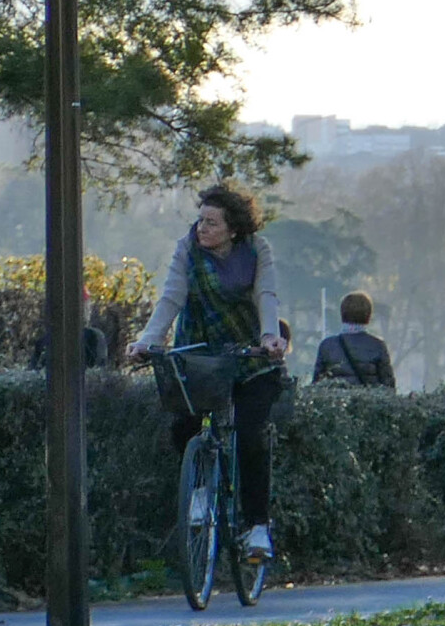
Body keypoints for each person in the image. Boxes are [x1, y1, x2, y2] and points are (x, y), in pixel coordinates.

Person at [125, 184, 288, 564]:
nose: (203, 228)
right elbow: (171, 296)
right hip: (199, 349)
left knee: (251, 435)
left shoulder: (257, 251)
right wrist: (147, 340)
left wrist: (270, 336)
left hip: (250, 351)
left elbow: (266, 294)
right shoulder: (187, 250)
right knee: (184, 423)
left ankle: (258, 527)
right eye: (201, 220)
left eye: (212, 223)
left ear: (234, 229)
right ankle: (199, 490)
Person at [313, 291, 396, 389]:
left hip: (337, 402)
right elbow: (388, 385)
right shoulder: (377, 346)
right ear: (368, 315)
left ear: (342, 314)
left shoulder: (327, 346)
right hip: (368, 403)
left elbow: (317, 385)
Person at [30, 291, 112, 371]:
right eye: (86, 306)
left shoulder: (45, 340)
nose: (89, 310)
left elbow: (33, 373)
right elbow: (98, 372)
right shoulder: (93, 336)